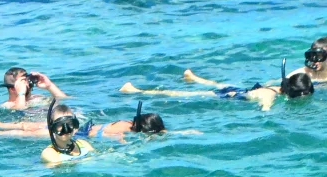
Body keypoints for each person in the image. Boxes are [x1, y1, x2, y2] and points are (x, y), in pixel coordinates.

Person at [121, 59, 314, 111]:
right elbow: (265, 111)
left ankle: (193, 77)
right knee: (186, 95)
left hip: (242, 91)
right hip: (231, 96)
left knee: (222, 84)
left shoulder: (274, 88)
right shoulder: (269, 96)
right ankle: (136, 90)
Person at [0, 100, 168, 141]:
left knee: (5, 126)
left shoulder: (124, 123)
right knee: (0, 134)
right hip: (73, 132)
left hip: (71, 124)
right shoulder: (123, 135)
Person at [0, 67, 68, 111]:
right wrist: (21, 93)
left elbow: (65, 100)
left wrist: (49, 86)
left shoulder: (38, 97)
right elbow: (19, 110)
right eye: (24, 80)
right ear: (12, 88)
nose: (28, 82)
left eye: (28, 78)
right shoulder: (7, 106)